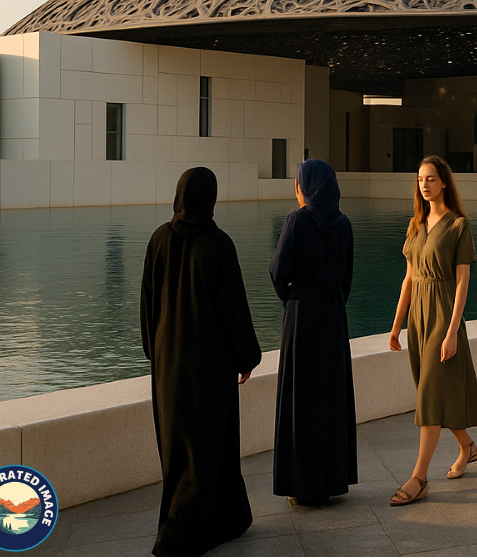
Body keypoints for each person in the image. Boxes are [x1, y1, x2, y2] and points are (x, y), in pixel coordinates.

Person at [140, 167, 262, 556]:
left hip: (168, 365)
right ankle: (179, 533)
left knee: (178, 447)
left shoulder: (158, 239)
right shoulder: (219, 244)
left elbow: (147, 307)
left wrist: (155, 353)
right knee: (211, 445)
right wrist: (246, 357)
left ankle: (226, 518)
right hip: (209, 367)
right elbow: (233, 309)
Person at [387, 155, 477, 506]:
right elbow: (409, 279)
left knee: (429, 395)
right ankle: (466, 446)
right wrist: (397, 324)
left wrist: (452, 331)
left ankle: (419, 478)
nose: (424, 184)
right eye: (419, 179)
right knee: (432, 394)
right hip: (419, 319)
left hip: (444, 315)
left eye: (430, 178)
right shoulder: (415, 225)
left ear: (444, 182)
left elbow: (463, 281)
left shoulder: (459, 225)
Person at [270, 159, 357, 507]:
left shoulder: (297, 221)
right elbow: (347, 276)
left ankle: (302, 485)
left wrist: (292, 299)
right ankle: (332, 480)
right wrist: (332, 300)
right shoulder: (344, 224)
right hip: (333, 317)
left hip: (302, 318)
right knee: (330, 397)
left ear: (304, 188)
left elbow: (278, 271)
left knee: (300, 399)